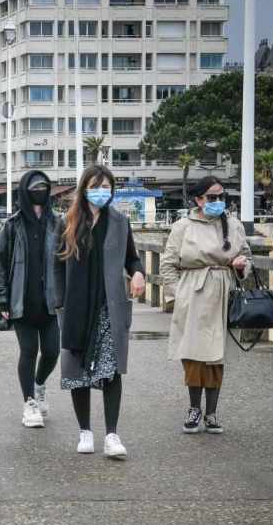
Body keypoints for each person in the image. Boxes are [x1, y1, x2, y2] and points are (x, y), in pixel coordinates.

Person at [54, 165, 146, 459]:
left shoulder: (119, 222)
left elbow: (132, 259)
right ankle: (85, 431)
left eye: (107, 187)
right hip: (76, 308)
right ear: (84, 189)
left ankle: (111, 434)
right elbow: (55, 266)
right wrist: (59, 303)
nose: (101, 192)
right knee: (77, 371)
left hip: (109, 306)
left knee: (111, 370)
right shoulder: (66, 222)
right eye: (96, 186)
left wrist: (138, 273)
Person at [160, 176, 252, 434]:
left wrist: (241, 265)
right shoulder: (183, 226)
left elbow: (247, 256)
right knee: (192, 354)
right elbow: (168, 264)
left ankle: (211, 412)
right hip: (193, 292)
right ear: (198, 200)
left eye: (222, 196)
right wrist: (177, 296)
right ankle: (194, 408)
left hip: (223, 292)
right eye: (212, 197)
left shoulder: (234, 225)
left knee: (216, 355)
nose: (218, 201)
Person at [0, 170, 61, 428]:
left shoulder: (58, 223)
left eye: (44, 187)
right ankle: (29, 402)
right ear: (24, 191)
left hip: (51, 301)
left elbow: (68, 259)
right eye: (35, 188)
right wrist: (2, 299)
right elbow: (1, 263)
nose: (40, 191)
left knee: (52, 351)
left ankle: (39, 384)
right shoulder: (12, 225)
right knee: (29, 350)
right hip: (21, 299)